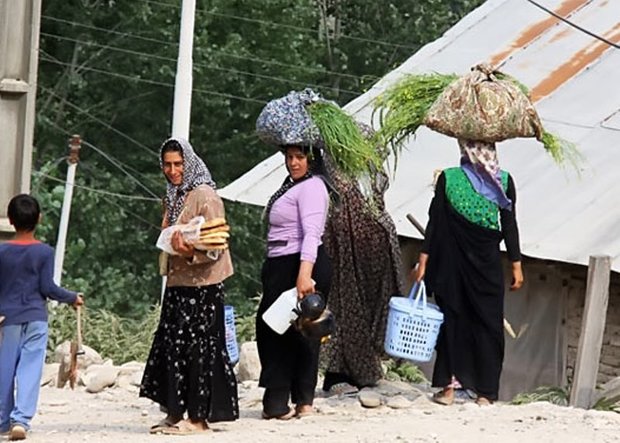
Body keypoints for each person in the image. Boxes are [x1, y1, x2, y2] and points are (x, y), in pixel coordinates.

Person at [412, 139, 524, 406]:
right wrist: (516, 265)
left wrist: (424, 262)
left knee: (454, 322)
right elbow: (509, 225)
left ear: (465, 150)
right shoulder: (503, 181)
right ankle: (485, 393)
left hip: (451, 265)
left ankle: (450, 389)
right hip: (484, 266)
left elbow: (435, 224)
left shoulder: (449, 179)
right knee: (487, 324)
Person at [139, 137, 238, 435]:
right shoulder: (173, 194)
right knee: (173, 346)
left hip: (203, 286)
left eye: (178, 164)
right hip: (178, 282)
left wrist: (188, 251)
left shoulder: (205, 195)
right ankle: (175, 411)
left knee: (199, 350)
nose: (172, 170)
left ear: (189, 163)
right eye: (167, 165)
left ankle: (197, 417)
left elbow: (217, 244)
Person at [321, 138, 404, 395]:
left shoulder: (372, 177)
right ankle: (337, 375)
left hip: (373, 258)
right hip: (345, 258)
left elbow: (378, 206)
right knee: (345, 310)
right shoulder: (335, 178)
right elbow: (335, 220)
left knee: (369, 310)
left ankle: (364, 371)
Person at [256, 144, 332, 420]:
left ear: (311, 160)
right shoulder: (291, 185)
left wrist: (304, 274)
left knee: (288, 331)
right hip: (281, 263)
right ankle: (295, 399)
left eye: (300, 157)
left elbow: (312, 233)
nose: (293, 163)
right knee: (286, 331)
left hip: (299, 264)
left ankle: (287, 401)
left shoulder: (312, 187)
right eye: (289, 157)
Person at [0, 194, 84, 441]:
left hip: (7, 320)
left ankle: (3, 419)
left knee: (4, 369)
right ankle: (21, 420)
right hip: (36, 318)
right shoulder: (44, 252)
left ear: (11, 221)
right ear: (39, 219)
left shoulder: (2, 252)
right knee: (30, 369)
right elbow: (48, 288)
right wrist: (71, 298)